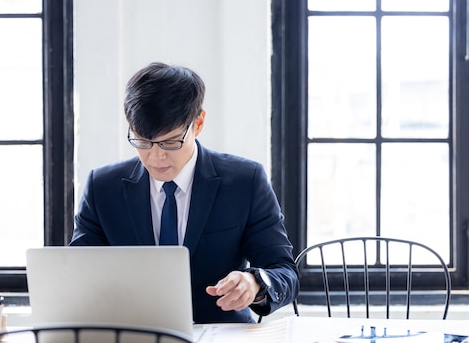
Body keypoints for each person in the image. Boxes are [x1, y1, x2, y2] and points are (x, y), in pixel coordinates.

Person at [69, 62, 299, 324]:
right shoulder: (102, 187)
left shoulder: (245, 181)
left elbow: (285, 272)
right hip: (132, 335)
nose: (156, 157)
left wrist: (254, 282)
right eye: (143, 142)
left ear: (198, 123)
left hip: (219, 335)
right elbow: (79, 274)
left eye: (170, 141)